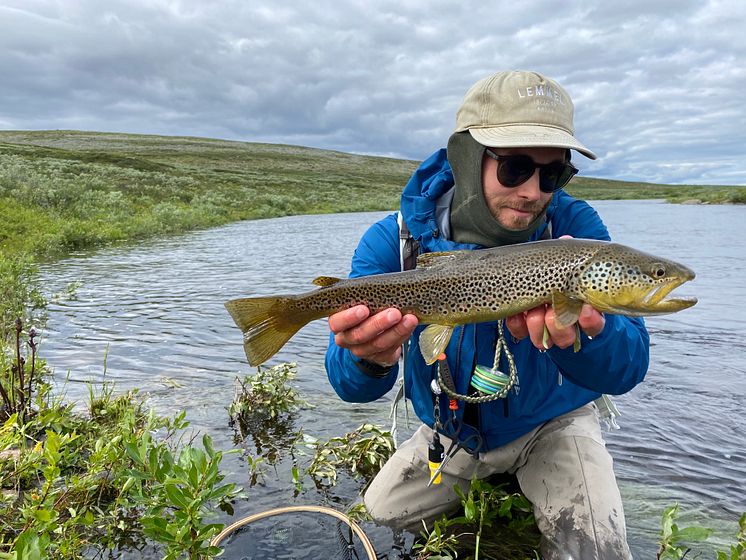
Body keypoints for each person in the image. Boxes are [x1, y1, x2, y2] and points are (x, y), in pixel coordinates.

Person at [324, 70, 648, 559]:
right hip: (452, 429)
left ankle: (529, 482)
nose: (535, 191)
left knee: (597, 548)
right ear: (468, 158)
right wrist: (369, 358)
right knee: (382, 513)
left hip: (552, 424)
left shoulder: (575, 230)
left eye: (553, 173)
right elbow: (351, 387)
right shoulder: (395, 241)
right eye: (516, 168)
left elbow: (630, 366)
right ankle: (496, 493)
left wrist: (590, 337)